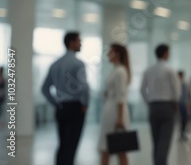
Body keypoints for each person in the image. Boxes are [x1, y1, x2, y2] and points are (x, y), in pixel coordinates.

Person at [41, 32, 90, 165]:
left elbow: (44, 88)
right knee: (71, 145)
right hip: (75, 108)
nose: (81, 44)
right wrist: (85, 104)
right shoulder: (79, 64)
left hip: (61, 108)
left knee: (63, 144)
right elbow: (84, 88)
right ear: (71, 42)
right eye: (79, 41)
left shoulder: (55, 64)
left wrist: (56, 103)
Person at [141, 44, 181, 165]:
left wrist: (149, 102)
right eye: (168, 52)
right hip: (167, 106)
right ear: (164, 53)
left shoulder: (148, 70)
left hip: (153, 107)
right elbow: (177, 89)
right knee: (164, 141)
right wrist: (176, 102)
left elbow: (142, 90)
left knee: (156, 141)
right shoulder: (170, 70)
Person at [98, 43, 131, 165]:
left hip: (116, 113)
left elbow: (121, 96)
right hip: (111, 111)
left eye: (110, 52)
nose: (108, 55)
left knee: (119, 148)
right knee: (107, 147)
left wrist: (120, 117)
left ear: (117, 54)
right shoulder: (116, 70)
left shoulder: (120, 72)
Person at [178, 71, 191, 141]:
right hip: (181, 104)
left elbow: (186, 95)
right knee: (182, 121)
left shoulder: (184, 84)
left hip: (183, 104)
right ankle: (182, 135)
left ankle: (183, 134)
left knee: (184, 121)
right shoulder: (180, 84)